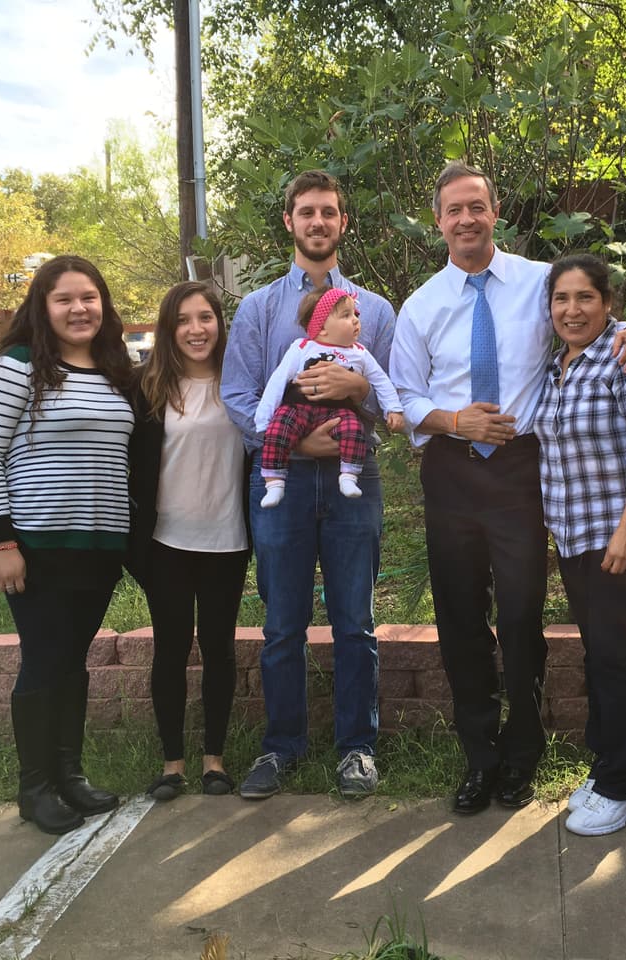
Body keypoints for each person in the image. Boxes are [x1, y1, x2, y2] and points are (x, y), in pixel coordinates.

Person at [390, 161, 626, 815]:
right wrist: (455, 420)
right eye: (454, 210)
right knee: (460, 618)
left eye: (476, 206)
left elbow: (588, 320)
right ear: (438, 222)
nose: (467, 219)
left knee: (519, 615)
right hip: (450, 470)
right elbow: (403, 396)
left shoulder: (539, 284)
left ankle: (522, 751)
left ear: (496, 212)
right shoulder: (421, 305)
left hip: (520, 471)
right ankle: (480, 757)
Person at [221, 170, 395, 800]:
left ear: (343, 222)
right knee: (282, 623)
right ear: (289, 221)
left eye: (328, 212)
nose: (317, 222)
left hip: (354, 478)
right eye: (306, 212)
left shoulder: (375, 311)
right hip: (282, 480)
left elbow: (394, 395)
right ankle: (281, 747)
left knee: (355, 621)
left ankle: (357, 749)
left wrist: (360, 389)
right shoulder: (258, 308)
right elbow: (238, 394)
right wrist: (295, 443)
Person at [0, 255, 134, 836]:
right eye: (64, 299)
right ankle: (34, 788)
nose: (79, 309)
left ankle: (69, 775)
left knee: (72, 659)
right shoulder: (16, 366)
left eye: (89, 297)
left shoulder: (115, 369)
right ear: (43, 306)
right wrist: (1, 543)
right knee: (44, 658)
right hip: (36, 546)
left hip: (100, 546)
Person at [534, 254, 626, 836]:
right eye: (561, 299)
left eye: (585, 297)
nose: (572, 310)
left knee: (611, 656)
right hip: (574, 536)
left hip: (622, 535)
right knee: (598, 653)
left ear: (608, 302)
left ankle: (625, 785)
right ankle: (608, 764)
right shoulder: (554, 366)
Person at [128, 281, 250, 803]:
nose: (195, 329)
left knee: (219, 649)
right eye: (182, 320)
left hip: (228, 537)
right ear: (167, 328)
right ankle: (172, 764)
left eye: (205, 317)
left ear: (220, 324)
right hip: (166, 542)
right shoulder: (147, 388)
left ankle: (214, 760)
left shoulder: (242, 383)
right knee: (171, 648)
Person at [255, 286, 404, 507]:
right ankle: (274, 482)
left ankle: (349, 475)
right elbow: (278, 381)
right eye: (346, 315)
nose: (355, 320)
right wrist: (264, 418)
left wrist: (394, 409)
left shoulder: (360, 353)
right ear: (322, 328)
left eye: (355, 314)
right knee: (279, 428)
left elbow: (382, 381)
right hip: (298, 406)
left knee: (354, 429)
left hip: (339, 411)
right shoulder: (302, 347)